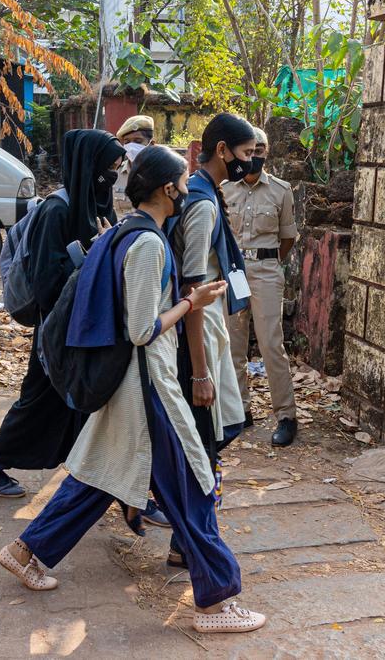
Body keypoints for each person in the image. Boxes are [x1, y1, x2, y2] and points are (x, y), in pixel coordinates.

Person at [0, 145, 267, 634]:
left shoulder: (128, 231)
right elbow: (142, 329)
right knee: (194, 487)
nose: (187, 190)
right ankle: (217, 601)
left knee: (101, 476)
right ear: (168, 189)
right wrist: (193, 300)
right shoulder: (148, 243)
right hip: (149, 388)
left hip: (132, 386)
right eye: (182, 183)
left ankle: (26, 550)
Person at [0, 129, 125, 499]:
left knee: (81, 404)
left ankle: (92, 477)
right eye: (111, 166)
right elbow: (46, 282)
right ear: (91, 165)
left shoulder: (98, 202)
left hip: (85, 324)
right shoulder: (57, 211)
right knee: (39, 401)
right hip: (56, 326)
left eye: (119, 167)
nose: (115, 174)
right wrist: (93, 259)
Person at [166, 113, 254, 568]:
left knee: (208, 437)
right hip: (198, 330)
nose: (250, 161)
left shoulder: (204, 193)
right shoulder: (201, 203)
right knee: (204, 438)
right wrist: (201, 371)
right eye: (246, 153)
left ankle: (188, 536)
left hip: (206, 323)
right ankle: (192, 541)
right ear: (222, 150)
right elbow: (193, 291)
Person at [222, 126, 300, 446]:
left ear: (267, 152)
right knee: (234, 344)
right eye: (249, 150)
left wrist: (269, 262)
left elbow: (288, 237)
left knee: (271, 344)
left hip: (267, 270)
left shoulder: (281, 190)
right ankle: (241, 410)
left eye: (260, 150)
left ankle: (286, 415)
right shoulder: (225, 189)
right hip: (234, 271)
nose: (254, 156)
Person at [113, 115, 155, 215]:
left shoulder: (161, 173)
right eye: (127, 142)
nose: (131, 146)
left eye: (138, 141)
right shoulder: (116, 172)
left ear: (151, 144)